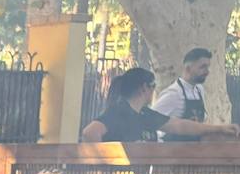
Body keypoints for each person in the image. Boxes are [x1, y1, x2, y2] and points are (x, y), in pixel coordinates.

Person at [81, 66, 239, 143]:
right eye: (153, 86)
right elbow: (90, 132)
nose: (154, 91)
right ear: (144, 88)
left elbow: (180, 125)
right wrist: (105, 164)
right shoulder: (118, 111)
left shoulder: (145, 115)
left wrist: (219, 128)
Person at [151, 47, 214, 142]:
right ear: (188, 68)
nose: (207, 71)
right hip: (175, 152)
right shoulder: (173, 94)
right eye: (202, 67)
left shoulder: (199, 90)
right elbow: (151, 121)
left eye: (208, 67)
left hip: (196, 150)